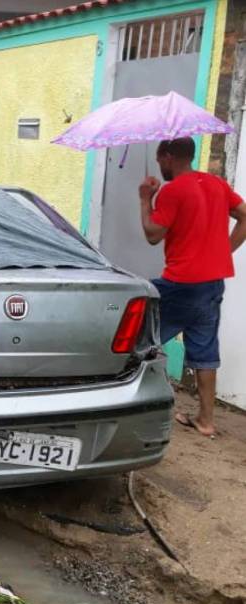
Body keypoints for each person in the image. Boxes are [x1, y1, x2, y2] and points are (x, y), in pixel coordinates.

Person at [139, 137, 246, 437]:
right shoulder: (217, 184)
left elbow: (152, 234)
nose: (159, 165)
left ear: (169, 156)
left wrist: (145, 198)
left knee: (139, 336)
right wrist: (224, 252)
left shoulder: (172, 191)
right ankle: (206, 421)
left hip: (180, 283)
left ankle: (130, 405)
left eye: (160, 159)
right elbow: (244, 215)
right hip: (212, 283)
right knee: (205, 350)